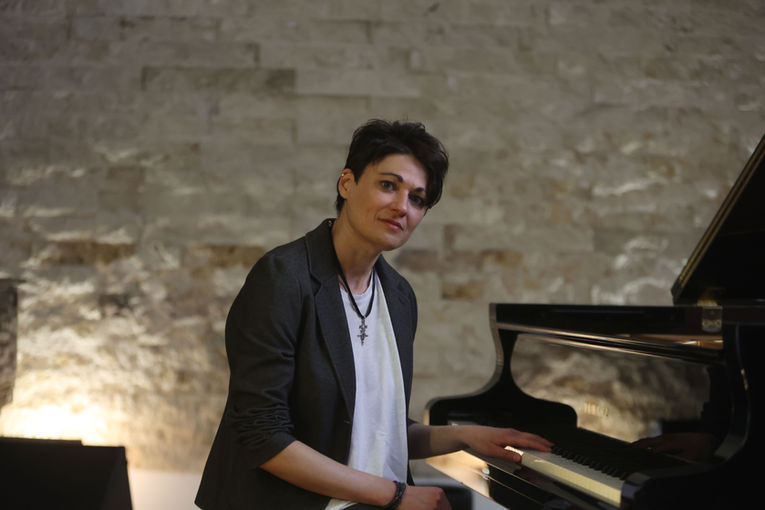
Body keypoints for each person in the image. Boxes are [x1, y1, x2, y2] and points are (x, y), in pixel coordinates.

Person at [195, 119, 552, 510]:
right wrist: (396, 495)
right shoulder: (283, 278)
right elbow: (261, 434)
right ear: (347, 184)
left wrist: (465, 436)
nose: (402, 207)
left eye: (418, 199)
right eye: (388, 185)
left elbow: (373, 433)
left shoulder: (398, 296)